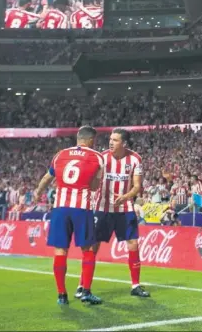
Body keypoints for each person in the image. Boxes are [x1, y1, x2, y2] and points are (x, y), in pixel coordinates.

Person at [32, 126, 104, 306]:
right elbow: (94, 186)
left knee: (60, 251)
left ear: (78, 138)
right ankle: (86, 291)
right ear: (90, 140)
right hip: (81, 208)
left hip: (60, 208)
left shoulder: (60, 155)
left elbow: (47, 178)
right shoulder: (97, 157)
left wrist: (38, 191)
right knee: (87, 249)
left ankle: (61, 295)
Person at [74, 128, 150, 299]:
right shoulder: (101, 158)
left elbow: (137, 186)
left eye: (115, 140)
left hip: (125, 208)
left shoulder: (135, 159)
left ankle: (135, 285)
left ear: (124, 143)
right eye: (110, 139)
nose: (111, 142)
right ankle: (82, 285)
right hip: (102, 208)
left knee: (133, 243)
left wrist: (126, 197)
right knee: (93, 246)